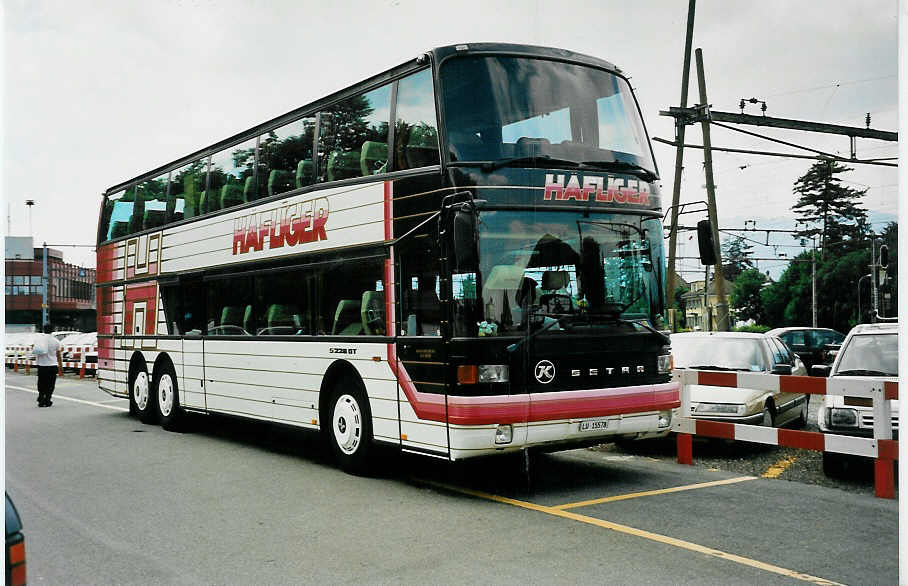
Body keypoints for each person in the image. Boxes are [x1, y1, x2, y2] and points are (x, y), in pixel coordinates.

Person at [34, 324, 62, 407]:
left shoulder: (39, 340)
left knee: (41, 382)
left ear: (43, 330)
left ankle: (41, 398)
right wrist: (60, 366)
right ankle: (48, 399)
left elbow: (35, 351)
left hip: (41, 365)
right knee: (51, 384)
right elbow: (58, 355)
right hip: (53, 365)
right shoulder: (56, 341)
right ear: (52, 330)